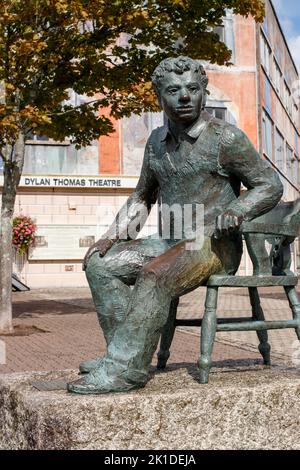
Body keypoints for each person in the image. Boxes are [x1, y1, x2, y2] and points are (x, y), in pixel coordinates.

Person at [67, 56, 283, 394]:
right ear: (159, 97)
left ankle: (125, 371)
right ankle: (119, 355)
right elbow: (142, 197)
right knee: (101, 264)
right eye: (173, 90)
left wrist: (238, 210)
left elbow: (269, 185)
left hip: (212, 245)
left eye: (193, 89)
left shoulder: (225, 138)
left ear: (203, 92)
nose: (184, 97)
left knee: (156, 274)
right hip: (168, 240)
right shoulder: (155, 143)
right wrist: (111, 237)